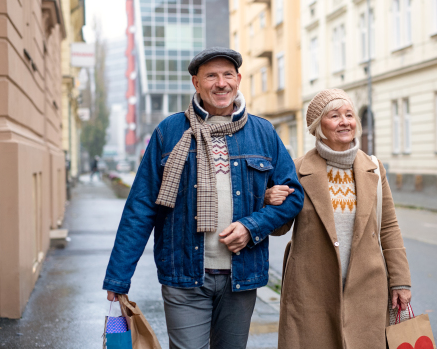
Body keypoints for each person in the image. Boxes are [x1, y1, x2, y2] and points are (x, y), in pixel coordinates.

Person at [102, 47, 304, 349]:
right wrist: (118, 277)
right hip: (183, 274)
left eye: (227, 75)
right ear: (196, 83)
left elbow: (293, 196)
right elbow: (141, 207)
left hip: (242, 274)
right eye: (211, 76)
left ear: (237, 80)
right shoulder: (169, 132)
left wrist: (253, 225)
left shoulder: (262, 132)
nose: (220, 83)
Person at [265, 89, 412, 348]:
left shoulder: (374, 168)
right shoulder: (297, 169)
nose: (345, 122)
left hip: (367, 286)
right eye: (334, 116)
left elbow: (388, 227)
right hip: (312, 288)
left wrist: (400, 281)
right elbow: (280, 228)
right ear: (318, 126)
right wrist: (268, 200)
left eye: (349, 114)